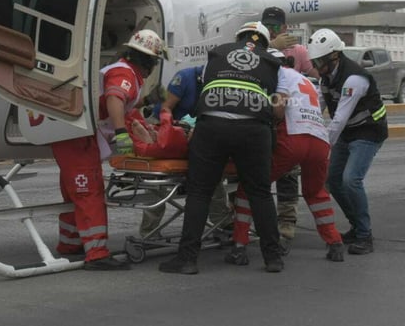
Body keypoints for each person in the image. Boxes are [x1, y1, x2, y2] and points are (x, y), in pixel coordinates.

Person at [159, 21, 284, 274]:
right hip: (253, 130)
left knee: (200, 192)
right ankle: (273, 258)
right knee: (259, 193)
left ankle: (187, 260)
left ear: (239, 38)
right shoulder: (273, 63)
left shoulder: (217, 53)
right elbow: (277, 106)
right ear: (265, 41)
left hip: (213, 125)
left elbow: (206, 86)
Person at [53, 28, 168, 270]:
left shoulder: (123, 71)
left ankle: (70, 244)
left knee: (74, 193)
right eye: (155, 61)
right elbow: (115, 98)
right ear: (148, 60)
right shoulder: (123, 73)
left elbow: (124, 104)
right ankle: (96, 253)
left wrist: (146, 104)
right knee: (89, 192)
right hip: (79, 138)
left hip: (74, 134)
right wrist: (121, 133)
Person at [227, 48, 345, 264]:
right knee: (316, 193)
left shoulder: (277, 75)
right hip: (319, 139)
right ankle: (334, 243)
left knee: (252, 187)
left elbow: (278, 111)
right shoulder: (306, 80)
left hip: (293, 139)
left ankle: (239, 245)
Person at [307, 28, 388, 255]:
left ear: (334, 56)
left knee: (351, 179)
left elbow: (339, 119)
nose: (316, 66)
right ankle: (356, 226)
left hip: (369, 132)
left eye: (319, 61)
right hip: (349, 132)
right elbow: (316, 108)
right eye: (314, 61)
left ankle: (365, 235)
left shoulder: (354, 79)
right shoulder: (326, 76)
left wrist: (320, 149)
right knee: (332, 179)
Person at [138, 64, 233, 238]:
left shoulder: (220, 83)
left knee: (213, 173)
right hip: (169, 127)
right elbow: (166, 108)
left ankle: (222, 221)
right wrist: (179, 128)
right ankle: (149, 229)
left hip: (198, 131)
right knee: (157, 181)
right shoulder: (184, 78)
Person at [261, 6, 320, 245]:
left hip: (290, 117)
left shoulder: (299, 51)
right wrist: (271, 46)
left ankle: (286, 220)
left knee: (288, 172)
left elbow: (314, 75)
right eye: (268, 26)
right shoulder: (259, 46)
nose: (272, 30)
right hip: (264, 115)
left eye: (276, 26)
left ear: (285, 27)